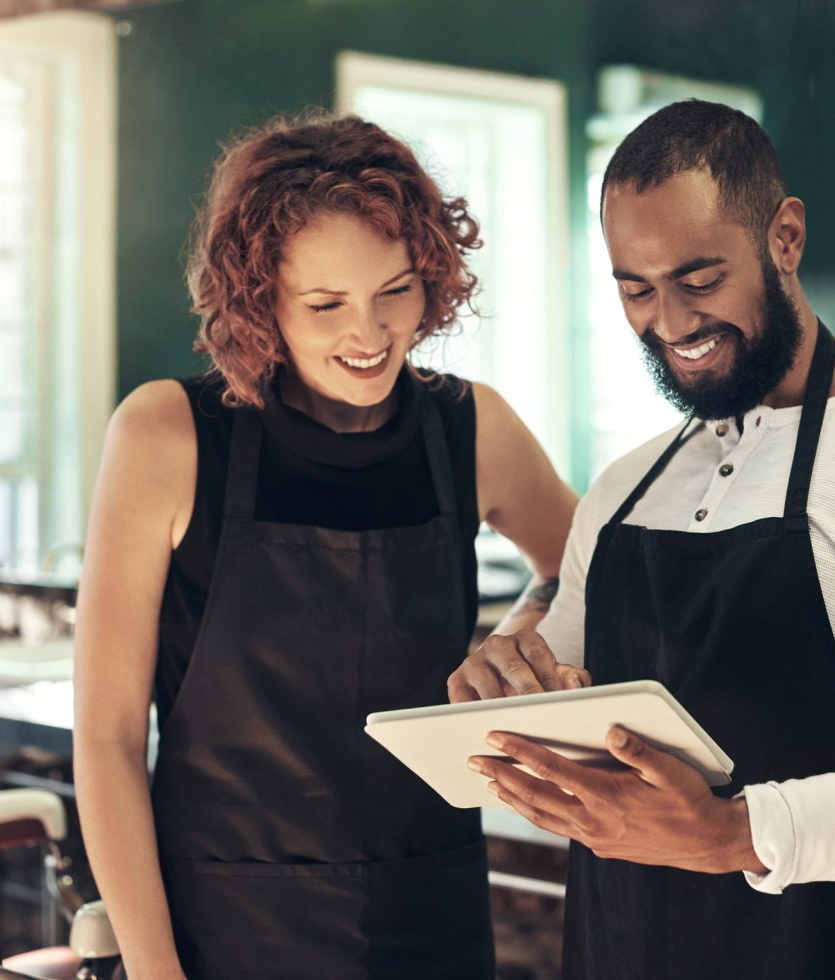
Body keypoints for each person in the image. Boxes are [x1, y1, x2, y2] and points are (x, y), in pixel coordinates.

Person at [450, 100, 835, 979]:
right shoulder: (627, 488)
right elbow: (562, 682)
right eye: (635, 289)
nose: (668, 323)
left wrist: (732, 833)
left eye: (699, 280)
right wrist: (508, 678)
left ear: (784, 237)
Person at [73, 112, 577, 980]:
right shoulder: (167, 435)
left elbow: (586, 565)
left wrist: (520, 641)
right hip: (224, 929)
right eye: (326, 303)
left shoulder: (471, 428)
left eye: (397, 290)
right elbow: (109, 739)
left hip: (434, 921)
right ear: (259, 295)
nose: (370, 333)